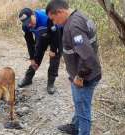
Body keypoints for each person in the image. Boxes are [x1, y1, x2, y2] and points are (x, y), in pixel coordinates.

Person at [46, 0, 102, 134]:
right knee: (79, 103)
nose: (54, 23)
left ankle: (82, 131)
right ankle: (74, 127)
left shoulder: (74, 26)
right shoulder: (78, 16)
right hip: (82, 74)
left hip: (85, 77)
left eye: (53, 19)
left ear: (60, 12)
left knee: (83, 110)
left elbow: (87, 57)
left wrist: (80, 76)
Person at [18, 8, 63, 94]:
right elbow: (30, 42)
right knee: (36, 57)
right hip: (43, 35)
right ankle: (28, 78)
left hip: (57, 33)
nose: (29, 25)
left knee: (54, 57)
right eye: (27, 23)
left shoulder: (46, 18)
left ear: (33, 15)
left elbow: (56, 33)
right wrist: (32, 58)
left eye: (30, 21)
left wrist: (53, 49)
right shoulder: (26, 26)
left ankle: (51, 82)